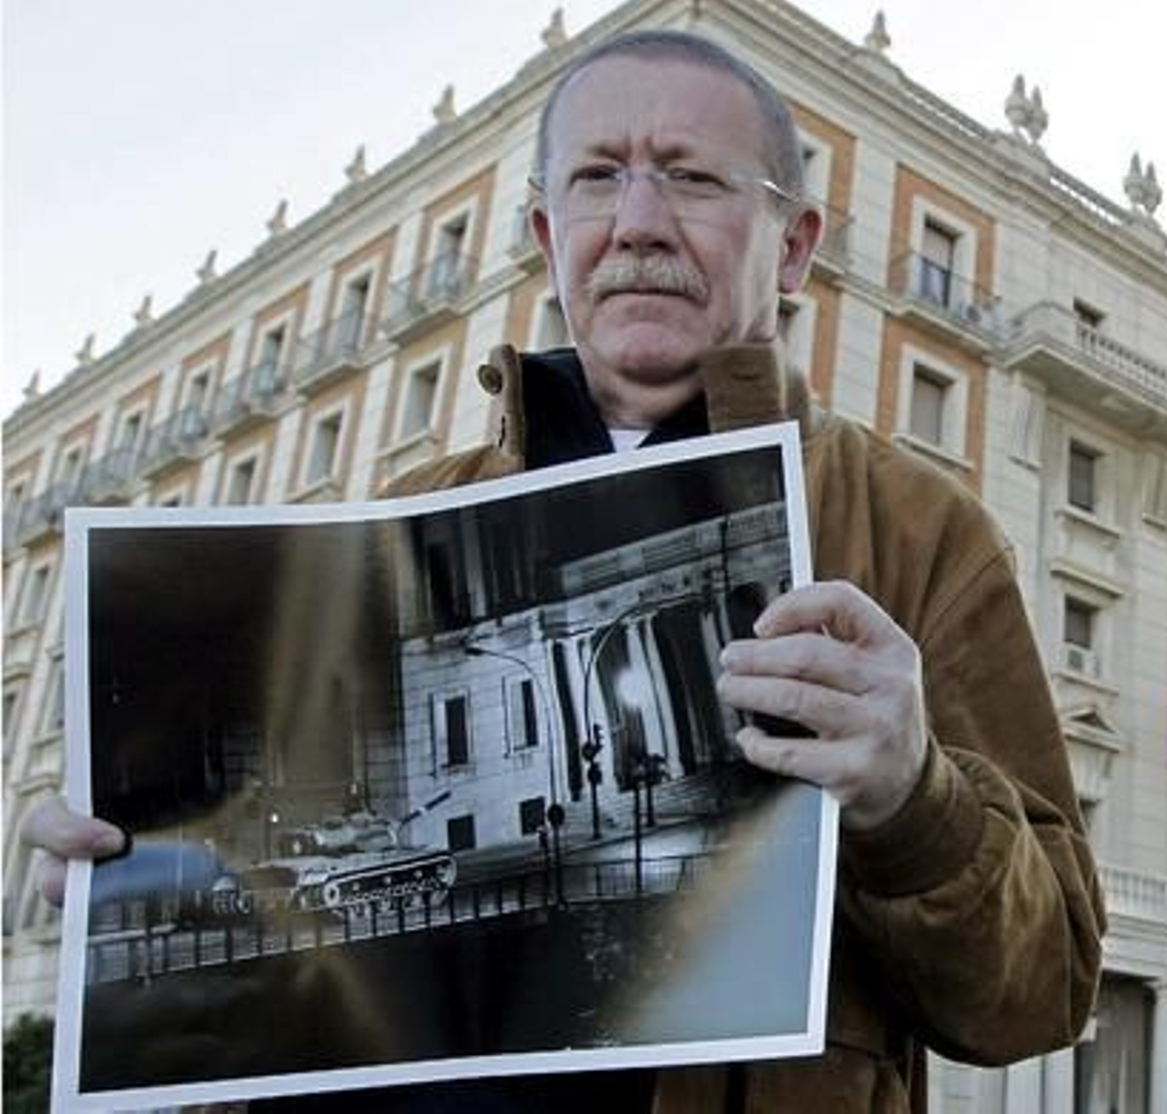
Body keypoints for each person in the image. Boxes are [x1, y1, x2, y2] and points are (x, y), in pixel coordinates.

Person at [21, 29, 1105, 1112]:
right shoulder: (389, 524)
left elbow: (1044, 991)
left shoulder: (921, 532)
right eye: (596, 177)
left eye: (692, 178)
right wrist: (133, 873)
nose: (638, 222)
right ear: (547, 236)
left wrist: (914, 799)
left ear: (791, 246)